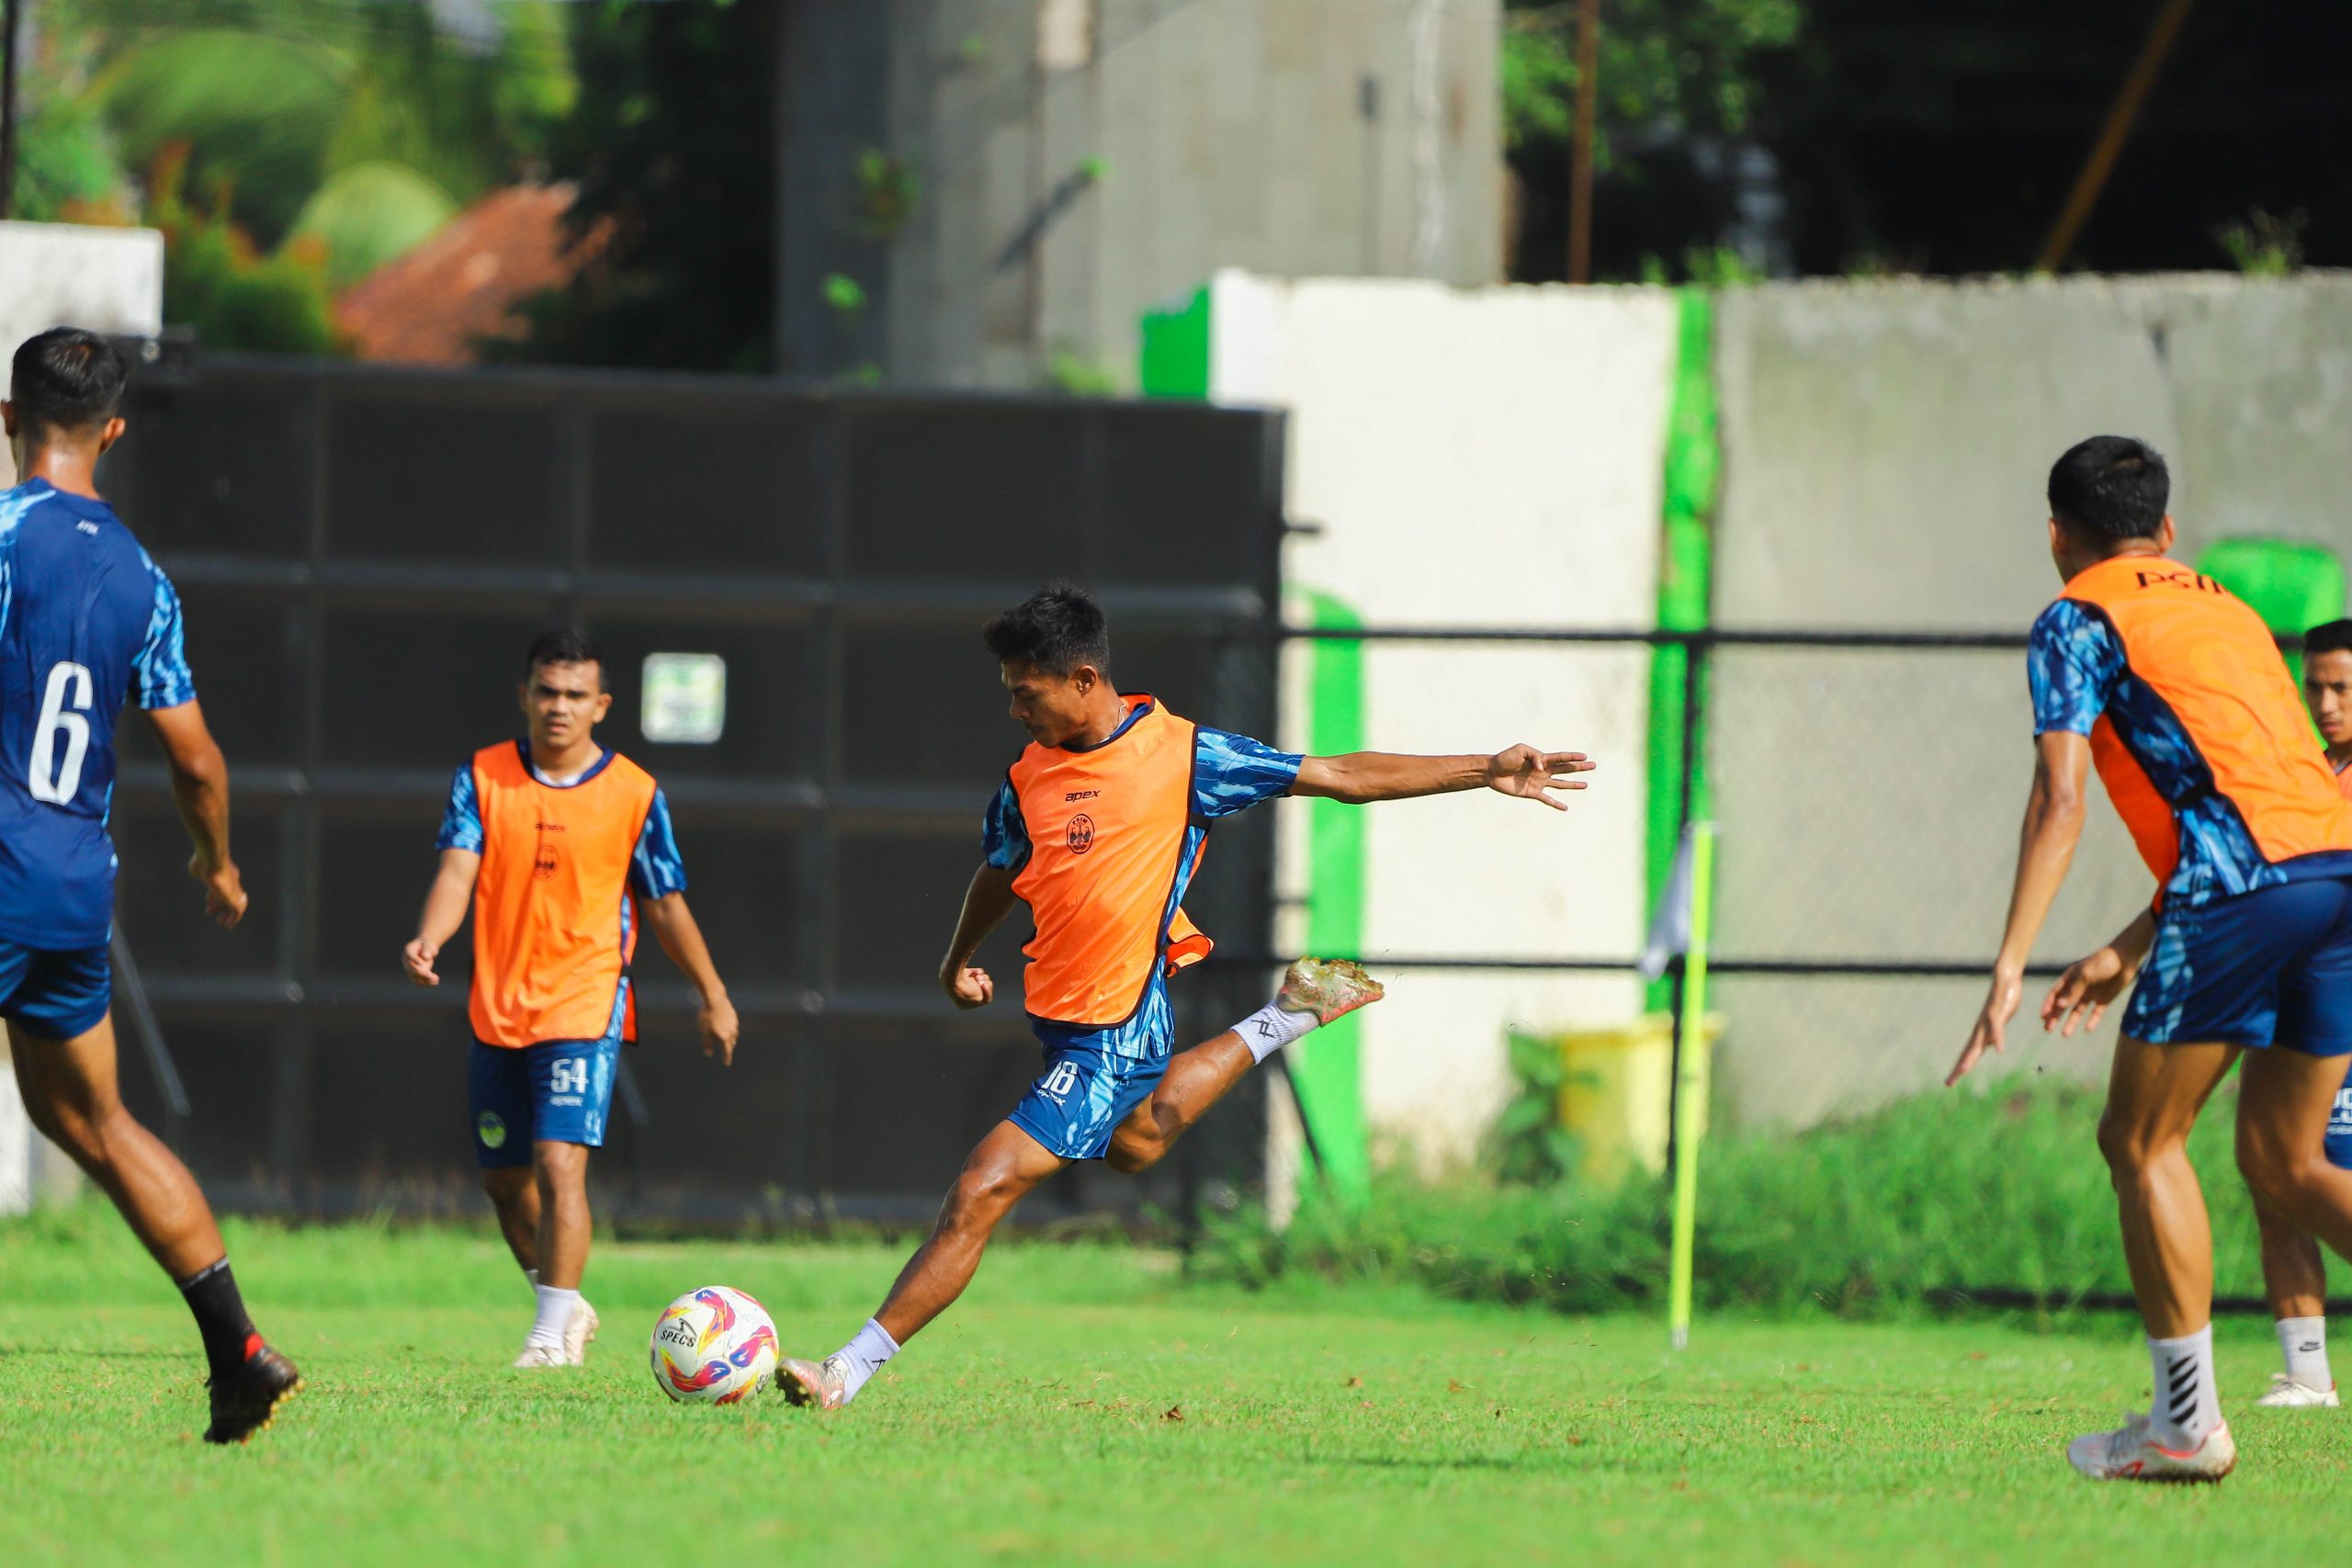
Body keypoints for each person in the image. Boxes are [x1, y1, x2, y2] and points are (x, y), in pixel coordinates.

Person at [774, 581, 1593, 1409]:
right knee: (1137, 1144)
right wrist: (957, 960)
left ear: (1085, 680)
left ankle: (844, 1371)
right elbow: (1000, 867)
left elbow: (1341, 774)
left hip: (1116, 1022)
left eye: (1028, 693)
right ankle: (1289, 1013)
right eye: (1010, 694)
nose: (1015, 710)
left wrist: (1485, 768)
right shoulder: (1027, 775)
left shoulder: (1185, 754)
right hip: (1066, 1019)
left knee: (984, 1183)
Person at [1951, 436, 2352, 1483]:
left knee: (2139, 1139)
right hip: (2335, 871)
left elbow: (2061, 798)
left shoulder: (2075, 614)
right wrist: (2130, 946)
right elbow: (2256, 793)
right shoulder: (2222, 608)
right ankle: (2187, 1419)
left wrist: (2010, 962)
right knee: (2285, 1159)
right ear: (2166, 531)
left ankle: (2185, 1426)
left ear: (2055, 537)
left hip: (2242, 889)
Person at [0, 327, 298, 1443]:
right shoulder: (142, 576)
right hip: (75, 886)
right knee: (93, 1121)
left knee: (83, 1117)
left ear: (6, 415)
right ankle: (240, 1350)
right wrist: (216, 863)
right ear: (114, 432)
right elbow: (198, 758)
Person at [402, 628, 738, 1367]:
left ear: (602, 705)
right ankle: (564, 1299)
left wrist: (712, 993)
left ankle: (551, 1335)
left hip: (586, 1002)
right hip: (498, 1005)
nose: (559, 707)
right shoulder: (484, 775)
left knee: (560, 1163)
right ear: (525, 696)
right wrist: (431, 935)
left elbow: (666, 904)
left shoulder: (635, 792)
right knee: (503, 1178)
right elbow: (459, 869)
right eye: (547, 692)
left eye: (575, 695)